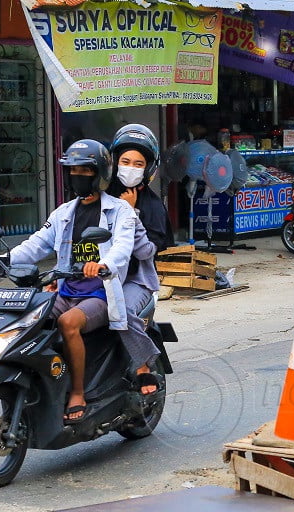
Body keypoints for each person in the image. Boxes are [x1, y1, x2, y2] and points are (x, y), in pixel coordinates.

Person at [0, 139, 159, 424]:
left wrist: (102, 265)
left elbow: (123, 248)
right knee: (26, 319)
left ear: (99, 173)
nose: (79, 176)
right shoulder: (63, 213)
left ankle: (77, 392)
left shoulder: (119, 211)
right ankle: (46, 378)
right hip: (66, 290)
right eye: (73, 170)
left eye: (86, 171)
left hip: (102, 293)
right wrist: (4, 259)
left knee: (68, 323)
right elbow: (37, 243)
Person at [104, 123, 173, 395]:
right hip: (98, 276)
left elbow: (148, 252)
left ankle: (144, 367)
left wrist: (130, 213)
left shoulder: (152, 207)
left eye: (137, 163)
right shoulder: (99, 196)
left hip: (135, 281)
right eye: (125, 161)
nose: (130, 167)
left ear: (148, 169)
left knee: (121, 310)